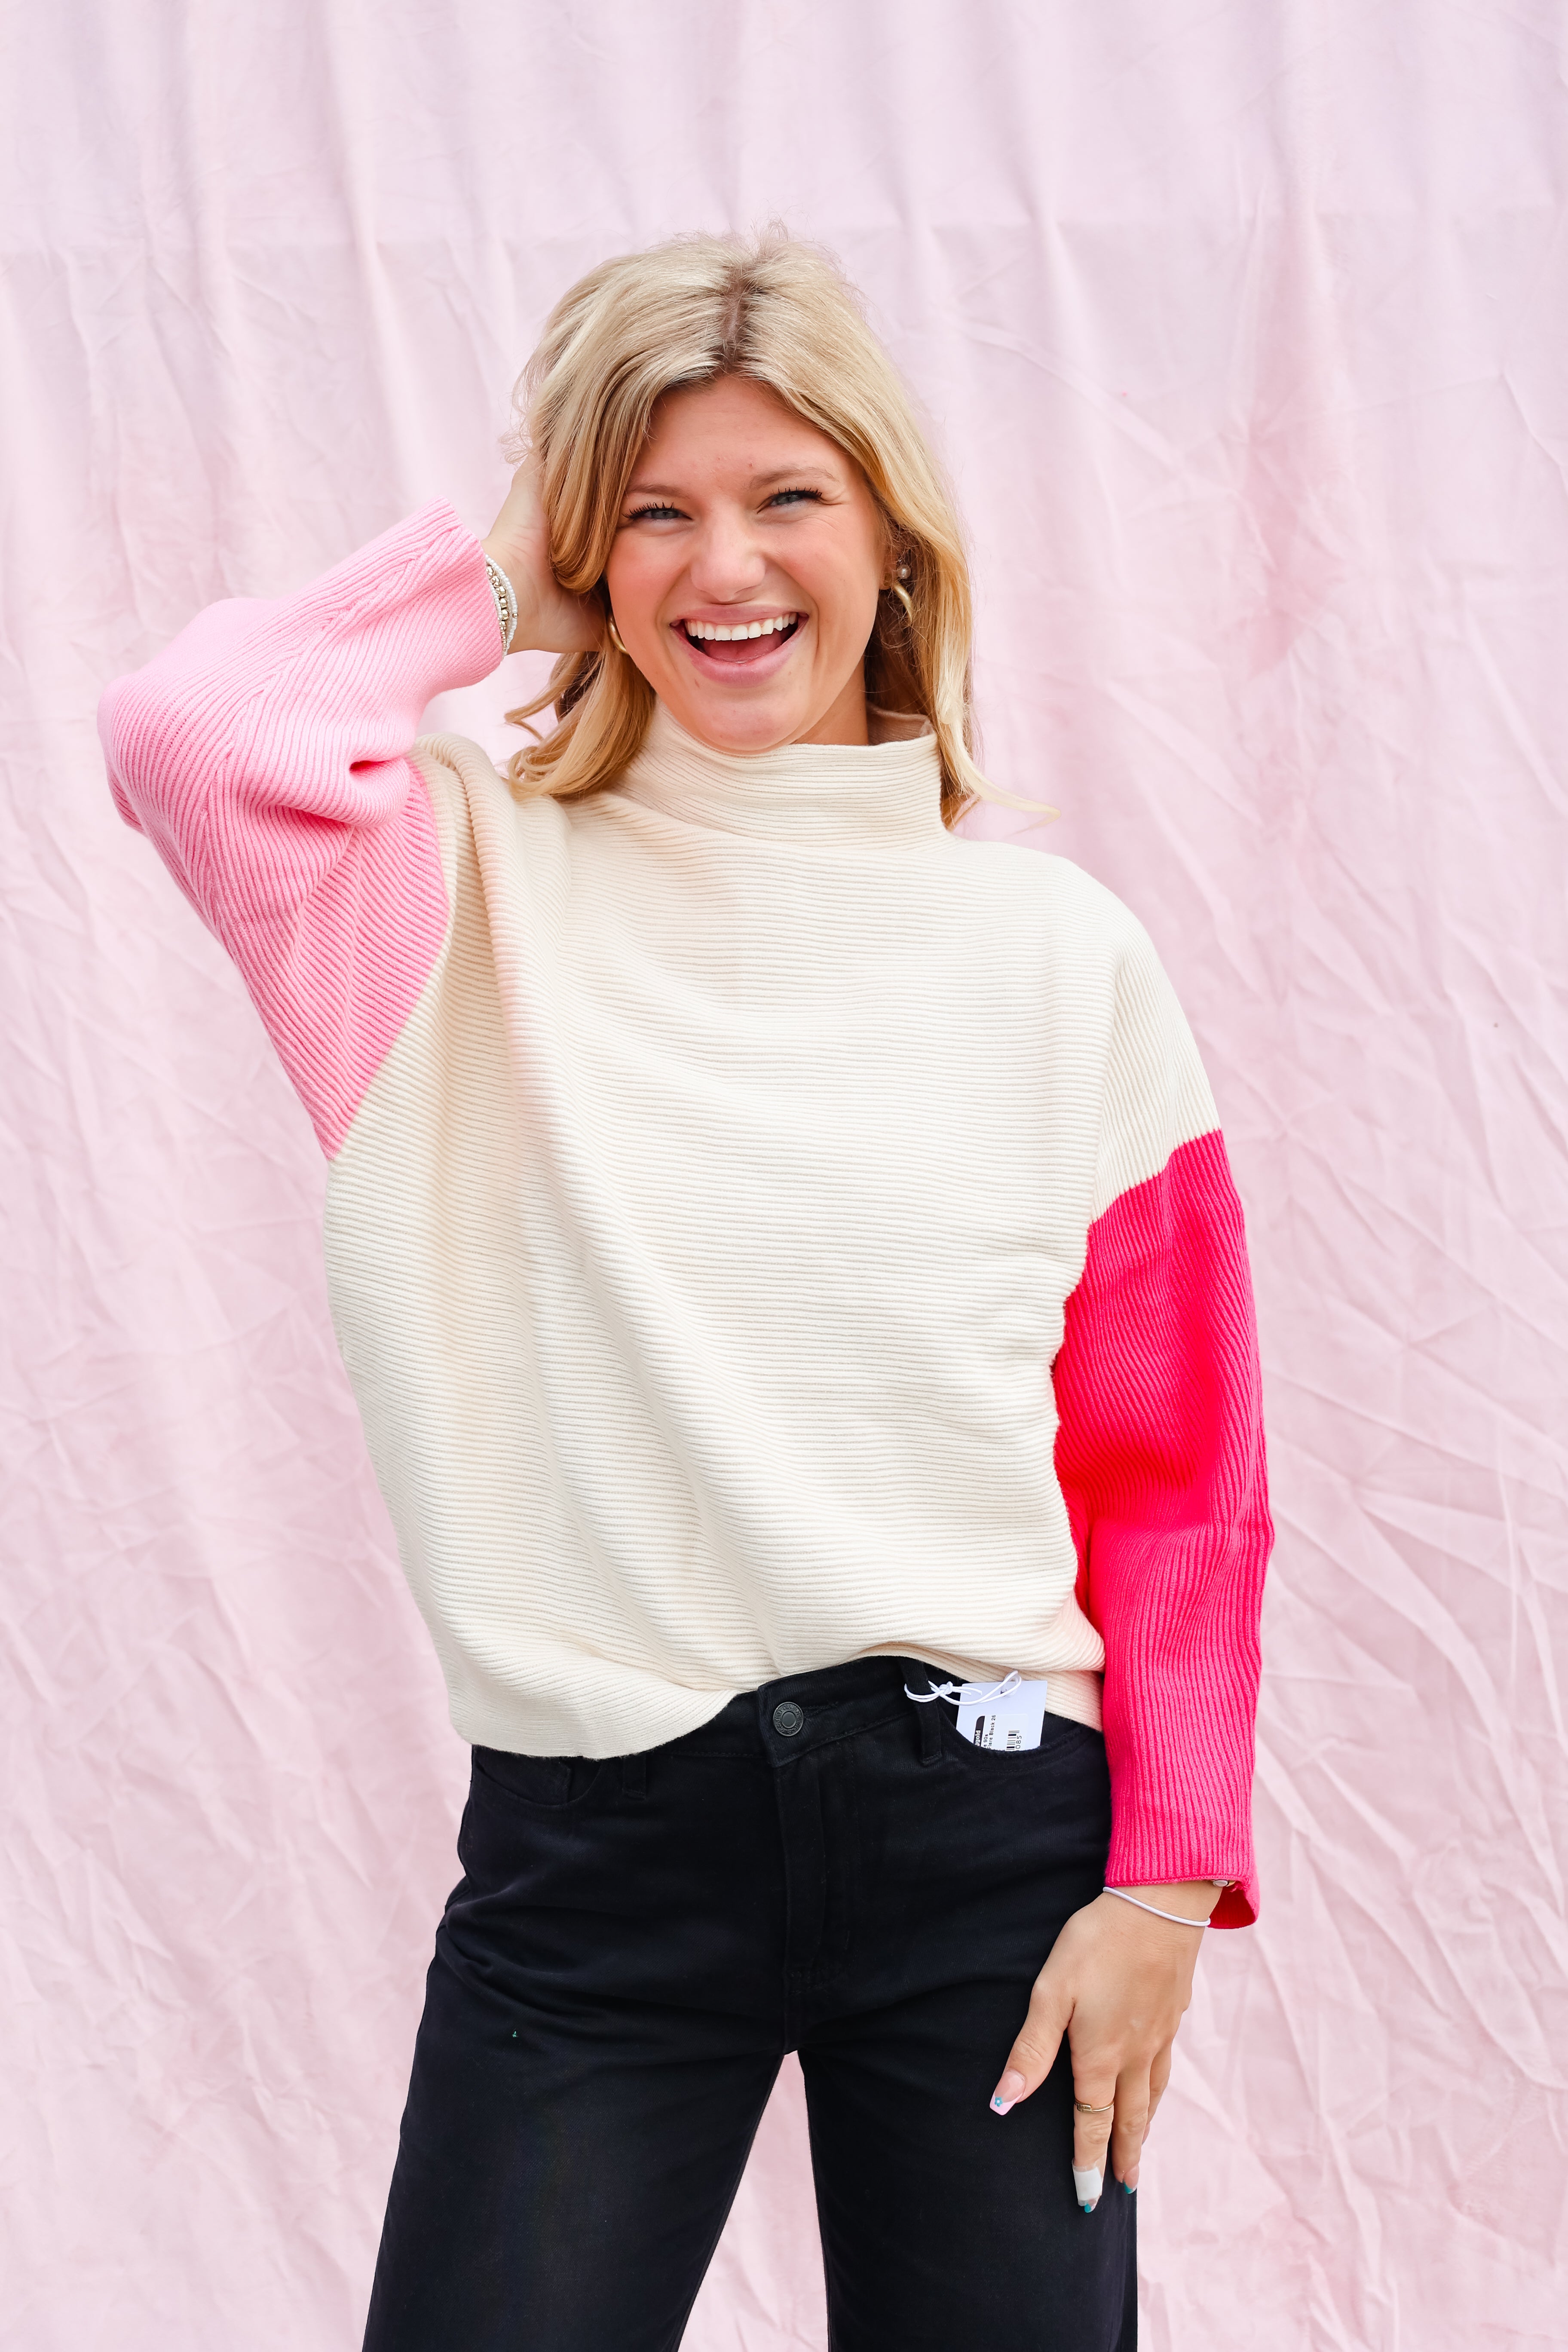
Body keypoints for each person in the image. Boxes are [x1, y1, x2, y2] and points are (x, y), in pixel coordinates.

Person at [100, 232, 1271, 2352]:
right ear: (587, 556)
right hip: (600, 1854)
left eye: (787, 497)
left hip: (989, 1833)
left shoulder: (1058, 960)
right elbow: (193, 731)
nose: (724, 567)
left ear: (893, 538)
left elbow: (1180, 1472)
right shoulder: (440, 892)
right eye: (654, 513)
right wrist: (506, 583)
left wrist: (1165, 1885)